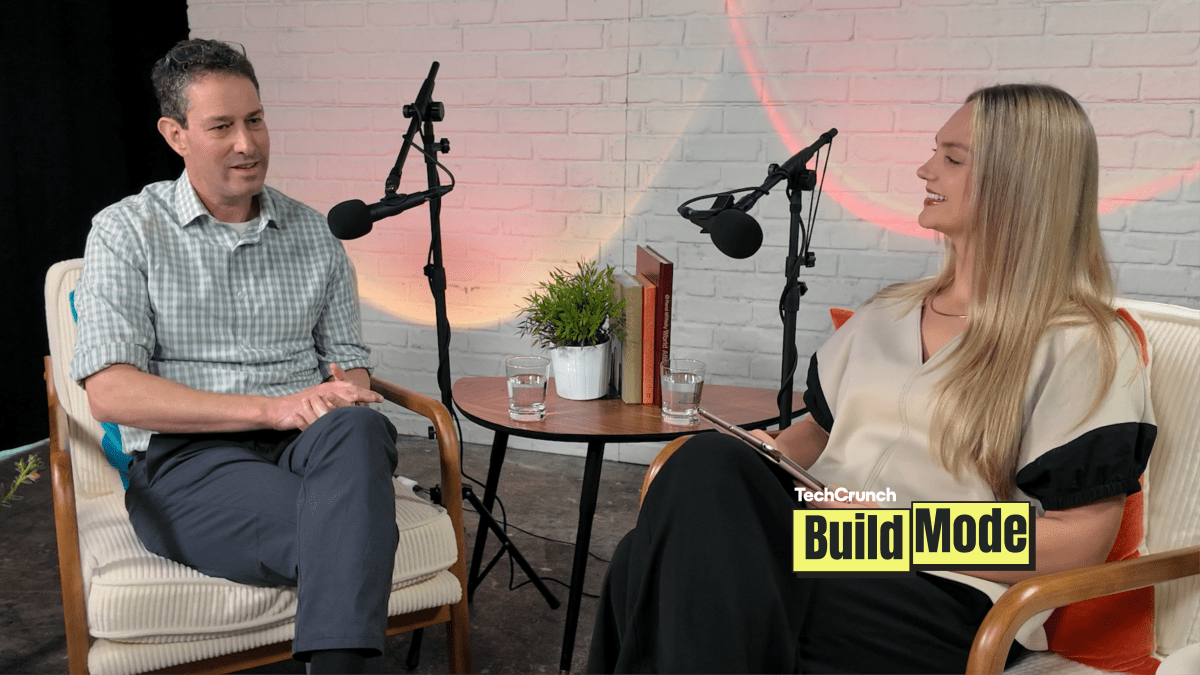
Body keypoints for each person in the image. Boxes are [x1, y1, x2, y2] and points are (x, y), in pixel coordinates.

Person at [588, 83, 1156, 674]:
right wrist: (770, 458)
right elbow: (822, 430)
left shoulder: (1080, 341)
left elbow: (1078, 541)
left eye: (953, 158)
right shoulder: (887, 312)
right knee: (706, 469)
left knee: (649, 559)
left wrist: (889, 530)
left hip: (939, 592)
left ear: (1019, 183)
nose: (925, 169)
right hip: (819, 543)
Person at [70, 39, 398, 675]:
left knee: (359, 426)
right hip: (189, 461)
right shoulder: (126, 230)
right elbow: (110, 393)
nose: (248, 144)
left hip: (313, 445)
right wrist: (274, 409)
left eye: (256, 119)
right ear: (176, 135)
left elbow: (348, 364)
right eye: (221, 126)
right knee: (351, 529)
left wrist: (343, 391)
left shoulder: (316, 234)